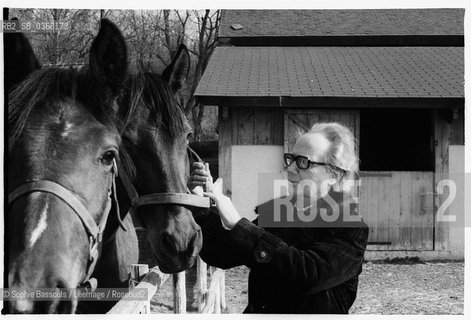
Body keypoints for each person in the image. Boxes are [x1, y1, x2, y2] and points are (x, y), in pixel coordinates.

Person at [189, 122, 369, 314]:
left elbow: (307, 275)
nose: (290, 169)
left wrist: (239, 224)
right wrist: (202, 204)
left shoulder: (349, 226)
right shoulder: (280, 211)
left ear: (335, 174)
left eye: (303, 162)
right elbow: (221, 254)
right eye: (290, 159)